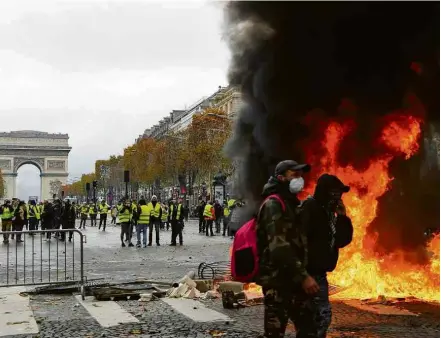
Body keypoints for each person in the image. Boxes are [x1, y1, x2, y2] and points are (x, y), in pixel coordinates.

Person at [256, 159, 315, 338]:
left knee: (310, 330)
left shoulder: (291, 203)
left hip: (294, 282)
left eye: (301, 175)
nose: (300, 179)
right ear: (281, 178)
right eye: (294, 175)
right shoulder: (273, 204)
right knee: (275, 334)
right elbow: (279, 248)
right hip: (278, 283)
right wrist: (304, 276)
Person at [296, 174, 353, 338]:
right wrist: (303, 276)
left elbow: (342, 240)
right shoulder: (309, 209)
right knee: (316, 319)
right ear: (324, 192)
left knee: (317, 319)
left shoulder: (328, 214)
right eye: (334, 193)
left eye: (339, 194)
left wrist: (342, 217)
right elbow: (297, 245)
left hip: (319, 275)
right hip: (307, 275)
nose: (338, 197)